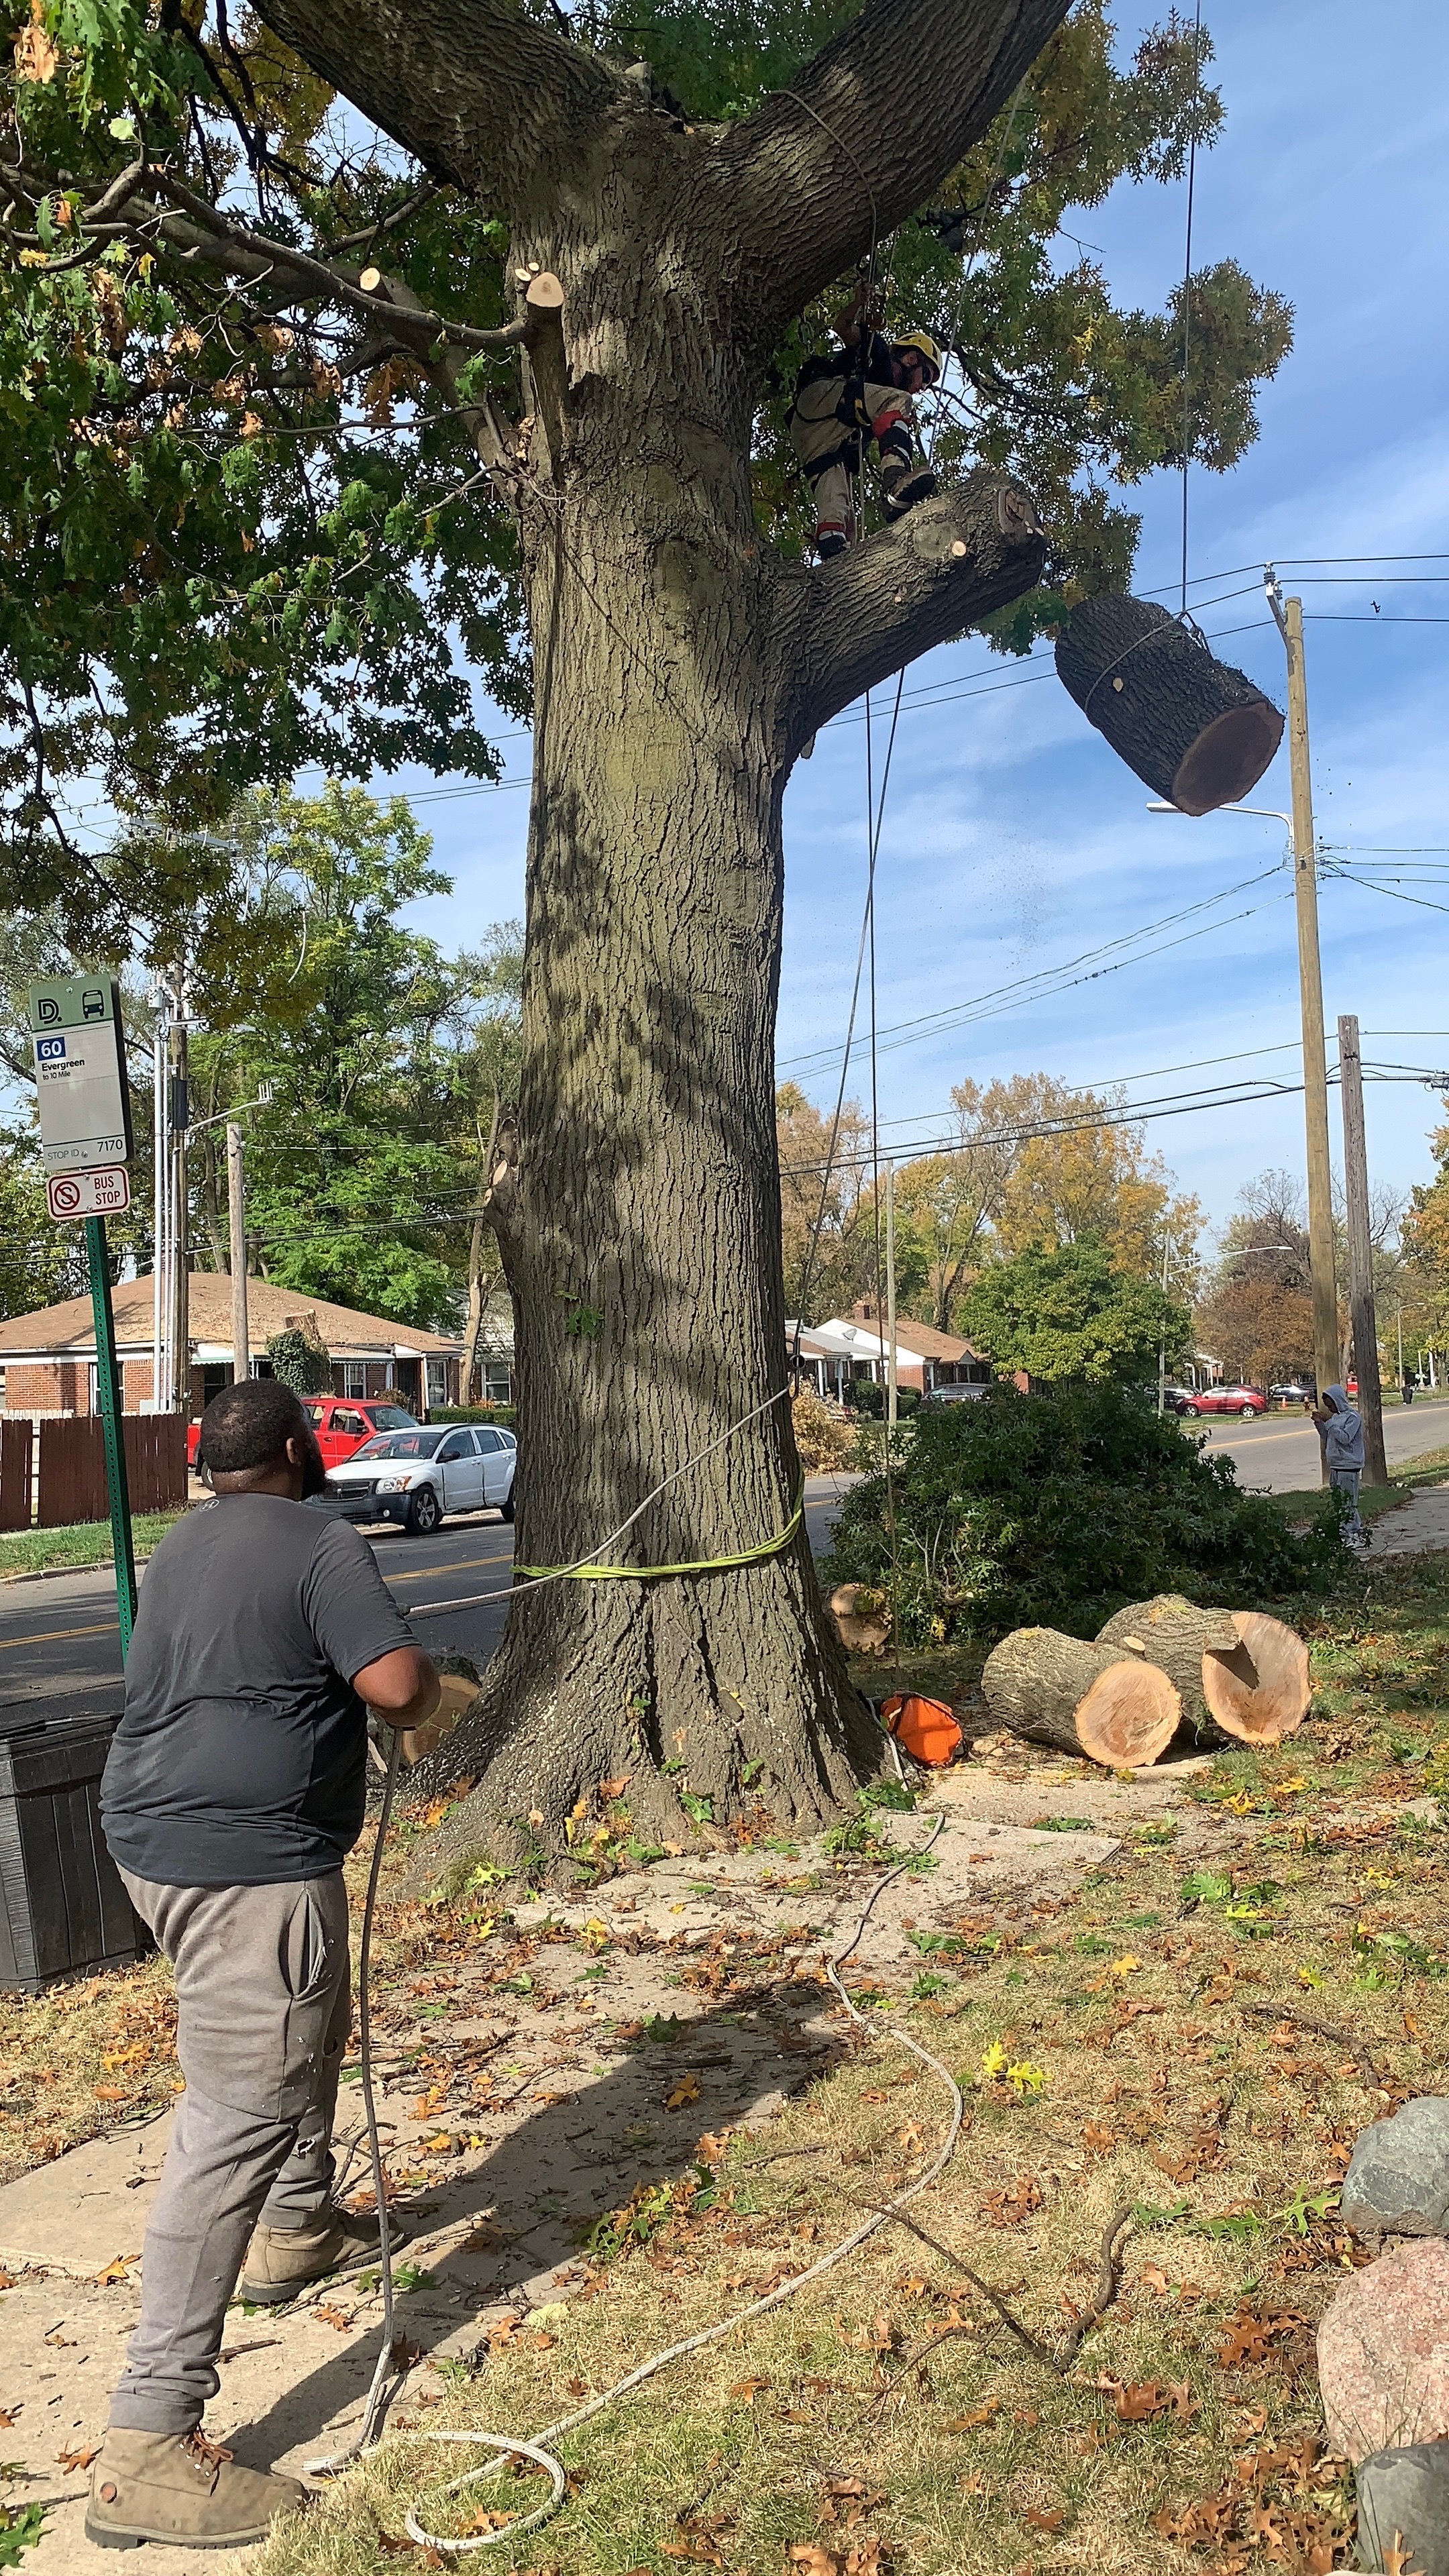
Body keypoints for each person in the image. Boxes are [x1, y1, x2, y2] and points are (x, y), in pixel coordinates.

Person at [88, 1377, 476, 2553]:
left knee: (311, 2023)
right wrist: (439, 1689)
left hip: (150, 1838)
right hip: (243, 1858)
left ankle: (300, 2223)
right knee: (238, 2111)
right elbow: (399, 1691)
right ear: (306, 1454)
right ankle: (150, 2443)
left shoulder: (184, 1545)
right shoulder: (321, 1542)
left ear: (212, 1464)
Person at [789, 280, 943, 559]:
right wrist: (858, 303)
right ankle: (895, 480)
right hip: (820, 400)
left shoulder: (879, 405)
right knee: (899, 402)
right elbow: (843, 327)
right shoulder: (877, 350)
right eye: (927, 377)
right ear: (911, 359)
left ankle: (834, 560)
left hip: (818, 439)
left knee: (842, 516)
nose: (924, 387)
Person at [1311, 1383, 1368, 1546]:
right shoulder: (1334, 1419)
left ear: (1338, 1401)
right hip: (1336, 1466)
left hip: (1348, 1467)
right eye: (1327, 1407)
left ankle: (1354, 1535)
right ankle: (1346, 1534)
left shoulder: (1353, 1417)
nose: (1330, 1409)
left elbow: (1345, 1438)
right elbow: (1327, 1436)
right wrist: (1320, 1424)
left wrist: (1328, 1422)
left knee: (1348, 1503)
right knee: (1339, 1503)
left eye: (1331, 1405)